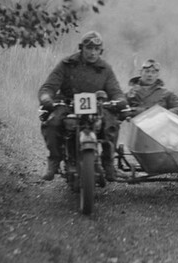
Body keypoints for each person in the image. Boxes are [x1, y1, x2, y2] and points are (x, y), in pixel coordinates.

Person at [37, 31, 126, 181]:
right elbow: (48, 87)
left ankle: (108, 163)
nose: (92, 53)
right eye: (89, 48)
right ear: (81, 48)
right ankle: (54, 160)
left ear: (100, 51)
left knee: (111, 124)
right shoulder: (66, 64)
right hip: (68, 103)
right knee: (52, 123)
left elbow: (115, 91)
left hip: (97, 106)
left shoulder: (105, 69)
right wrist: (47, 99)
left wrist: (119, 100)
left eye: (96, 49)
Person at [125, 58, 178, 161]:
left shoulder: (165, 93)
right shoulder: (131, 93)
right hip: (140, 136)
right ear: (141, 73)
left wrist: (165, 114)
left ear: (157, 75)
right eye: (147, 71)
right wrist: (130, 112)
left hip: (163, 134)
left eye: (153, 72)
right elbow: (121, 107)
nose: (150, 75)